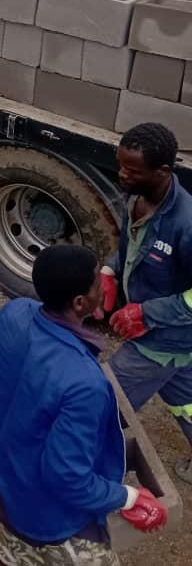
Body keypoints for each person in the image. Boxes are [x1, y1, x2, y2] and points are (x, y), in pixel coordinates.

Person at [0, 245, 166, 566]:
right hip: (48, 517)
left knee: (15, 555)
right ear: (80, 302)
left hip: (7, 478)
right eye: (97, 283)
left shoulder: (15, 312)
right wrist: (129, 497)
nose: (102, 287)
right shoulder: (84, 383)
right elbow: (67, 478)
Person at [103, 121, 192, 484]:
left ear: (163, 172)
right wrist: (109, 270)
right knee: (186, 401)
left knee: (103, 405)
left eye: (132, 170)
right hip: (173, 344)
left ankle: (94, 483)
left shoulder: (187, 224)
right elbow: (133, 249)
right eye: (121, 164)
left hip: (162, 341)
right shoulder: (138, 198)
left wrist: (146, 312)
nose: (122, 174)